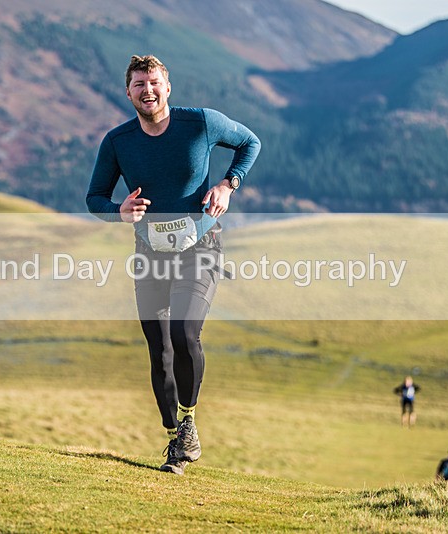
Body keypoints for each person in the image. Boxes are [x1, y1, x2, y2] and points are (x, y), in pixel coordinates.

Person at [86, 55, 261, 475]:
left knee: (185, 331)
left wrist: (227, 184)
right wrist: (119, 210)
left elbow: (249, 142)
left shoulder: (200, 123)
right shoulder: (117, 141)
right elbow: (95, 198)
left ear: (168, 87)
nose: (148, 90)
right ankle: (174, 439)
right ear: (128, 93)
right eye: (139, 84)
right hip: (149, 254)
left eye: (154, 82)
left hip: (200, 245)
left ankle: (189, 421)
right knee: (159, 351)